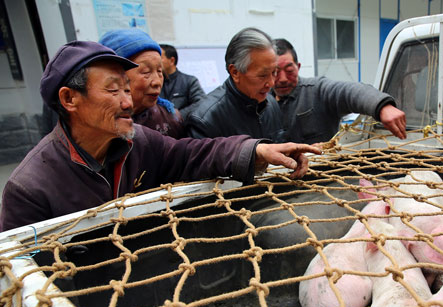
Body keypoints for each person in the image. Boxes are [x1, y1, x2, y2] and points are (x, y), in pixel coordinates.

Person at [0, 41, 320, 232]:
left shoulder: (138, 141)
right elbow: (22, 280)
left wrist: (257, 151)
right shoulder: (29, 189)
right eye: (113, 90)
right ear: (69, 99)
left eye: (127, 89)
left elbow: (190, 153)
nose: (128, 102)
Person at [273, 38, 407, 144]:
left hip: (321, 169)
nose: (283, 79)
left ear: (298, 67)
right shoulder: (264, 102)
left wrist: (381, 106)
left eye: (289, 71)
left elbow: (348, 92)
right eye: (276, 72)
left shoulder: (317, 90)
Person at [186, 27, 284, 141]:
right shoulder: (205, 120)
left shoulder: (271, 103)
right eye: (262, 75)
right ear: (235, 72)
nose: (271, 83)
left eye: (274, 72)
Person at [99, 29, 186, 139]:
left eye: (160, 71)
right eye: (146, 72)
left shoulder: (171, 118)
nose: (157, 82)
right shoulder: (95, 124)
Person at [159, 44, 206, 120]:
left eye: (159, 58)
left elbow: (200, 102)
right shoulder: (155, 82)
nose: (156, 61)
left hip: (184, 124)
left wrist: (177, 116)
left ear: (172, 60)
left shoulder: (189, 81)